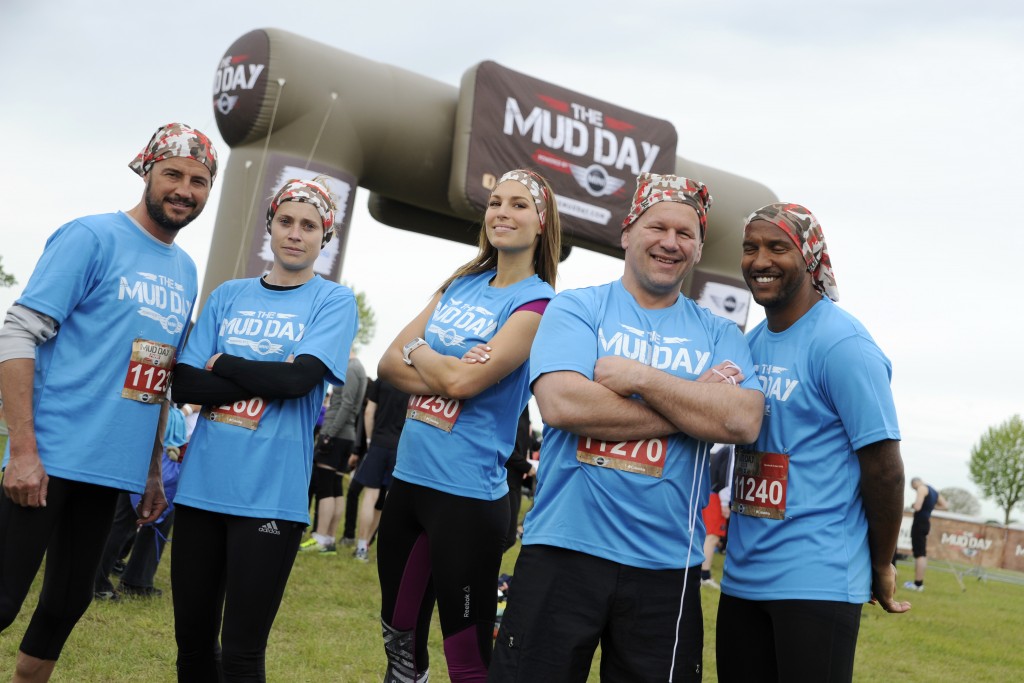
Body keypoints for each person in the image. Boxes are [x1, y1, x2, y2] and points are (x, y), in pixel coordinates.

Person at [490, 172, 763, 683]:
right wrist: (689, 409)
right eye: (657, 227)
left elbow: (741, 418)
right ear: (627, 232)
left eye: (685, 233)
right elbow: (563, 403)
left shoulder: (721, 332)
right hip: (563, 548)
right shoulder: (578, 307)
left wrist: (638, 377)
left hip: (665, 568)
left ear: (699, 247)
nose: (669, 242)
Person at [0, 122, 216, 683]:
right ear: (146, 170)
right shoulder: (91, 236)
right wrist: (21, 449)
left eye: (199, 180)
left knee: (64, 608)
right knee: (1, 602)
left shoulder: (187, 270)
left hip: (111, 471)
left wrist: (149, 472)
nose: (184, 190)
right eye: (172, 173)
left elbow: (158, 376)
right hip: (48, 460)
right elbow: (17, 333)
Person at [168, 177, 358, 682]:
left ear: (325, 236)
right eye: (286, 221)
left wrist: (224, 361)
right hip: (201, 492)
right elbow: (185, 383)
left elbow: (299, 381)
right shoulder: (229, 294)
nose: (296, 234)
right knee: (192, 646)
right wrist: (268, 376)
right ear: (269, 226)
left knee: (242, 655)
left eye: (309, 225)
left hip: (269, 500)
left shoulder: (332, 302)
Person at [376, 169, 561, 682]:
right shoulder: (461, 284)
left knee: (467, 658)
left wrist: (422, 352)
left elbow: (461, 384)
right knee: (398, 636)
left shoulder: (538, 304)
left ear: (542, 222)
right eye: (496, 202)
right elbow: (389, 364)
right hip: (409, 482)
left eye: (519, 205)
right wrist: (434, 359)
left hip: (467, 496)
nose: (503, 212)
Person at [717, 203, 909, 683]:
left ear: (809, 256)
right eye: (750, 248)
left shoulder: (843, 344)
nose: (760, 260)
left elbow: (884, 468)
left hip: (817, 579)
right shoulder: (751, 343)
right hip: (742, 579)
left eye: (777, 247)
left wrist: (881, 562)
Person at [303, 350, 367, 553]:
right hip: (345, 435)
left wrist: (328, 433)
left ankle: (320, 537)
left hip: (337, 435)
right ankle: (328, 538)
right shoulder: (359, 368)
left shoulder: (351, 368)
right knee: (335, 486)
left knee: (325, 487)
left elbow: (347, 405)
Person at [351, 376, 409, 562]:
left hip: (378, 443)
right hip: (400, 447)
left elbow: (369, 412)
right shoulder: (416, 381)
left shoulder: (382, 379)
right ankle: (366, 543)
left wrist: (369, 440)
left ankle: (361, 546)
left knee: (371, 495)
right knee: (384, 500)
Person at [699, 444, 734, 589]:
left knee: (711, 536)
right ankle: (704, 575)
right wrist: (725, 502)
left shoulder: (721, 449)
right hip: (717, 497)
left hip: (712, 494)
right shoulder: (730, 449)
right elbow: (727, 477)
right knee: (712, 536)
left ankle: (703, 574)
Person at [904, 477, 948, 591]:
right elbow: (945, 506)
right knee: (922, 553)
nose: (915, 490)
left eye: (914, 488)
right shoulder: (934, 491)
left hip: (919, 522)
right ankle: (919, 583)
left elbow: (918, 506)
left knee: (919, 554)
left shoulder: (921, 488)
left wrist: (913, 505)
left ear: (915, 483)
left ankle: (917, 584)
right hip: (926, 522)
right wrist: (930, 507)